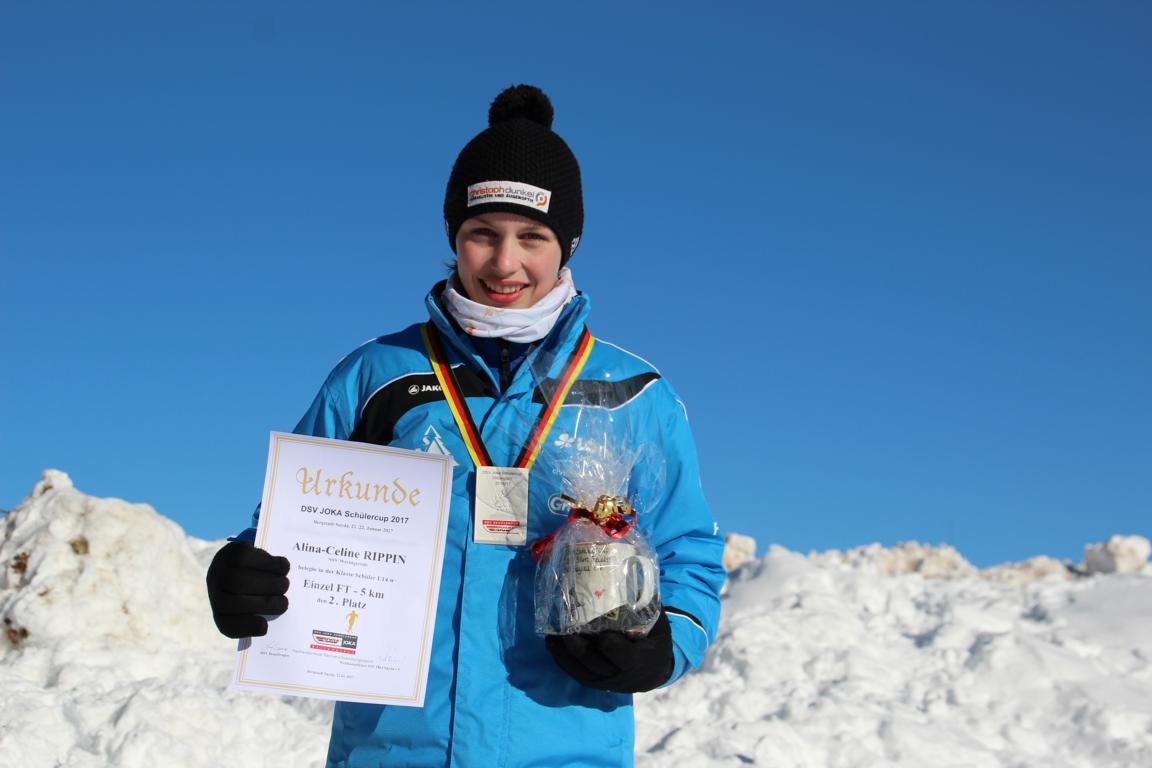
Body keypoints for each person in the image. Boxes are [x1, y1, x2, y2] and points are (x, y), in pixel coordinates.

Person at [206, 84, 725, 767]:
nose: (505, 264)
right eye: (483, 234)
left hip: (565, 751)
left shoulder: (634, 395)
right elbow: (292, 525)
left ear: (567, 245)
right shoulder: (377, 376)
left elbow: (687, 549)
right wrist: (243, 573)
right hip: (392, 752)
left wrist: (663, 645)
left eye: (532, 237)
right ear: (454, 237)